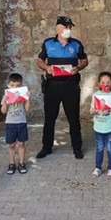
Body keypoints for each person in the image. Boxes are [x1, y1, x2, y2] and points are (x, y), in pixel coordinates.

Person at [36, 16, 88, 159]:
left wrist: (78, 68)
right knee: (50, 118)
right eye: (65, 27)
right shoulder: (48, 43)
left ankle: (77, 148)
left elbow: (84, 60)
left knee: (73, 118)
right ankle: (46, 147)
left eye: (70, 27)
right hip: (52, 86)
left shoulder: (76, 44)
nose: (68, 30)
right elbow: (39, 60)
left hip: (71, 86)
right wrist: (46, 68)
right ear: (58, 28)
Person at [90, 72, 111, 179]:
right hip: (98, 127)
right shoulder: (95, 95)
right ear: (99, 83)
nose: (106, 84)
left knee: (109, 148)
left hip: (110, 128)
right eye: (103, 82)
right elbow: (91, 110)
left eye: (108, 82)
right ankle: (98, 168)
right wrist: (93, 110)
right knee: (99, 148)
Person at [0, 73, 31, 175]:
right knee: (12, 144)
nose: (15, 87)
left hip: (21, 122)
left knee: (21, 144)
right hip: (10, 123)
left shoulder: (22, 96)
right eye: (12, 85)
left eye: (18, 85)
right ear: (8, 85)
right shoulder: (6, 96)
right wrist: (4, 102)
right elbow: (3, 111)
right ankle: (11, 163)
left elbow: (27, 109)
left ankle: (21, 162)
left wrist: (28, 99)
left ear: (21, 86)